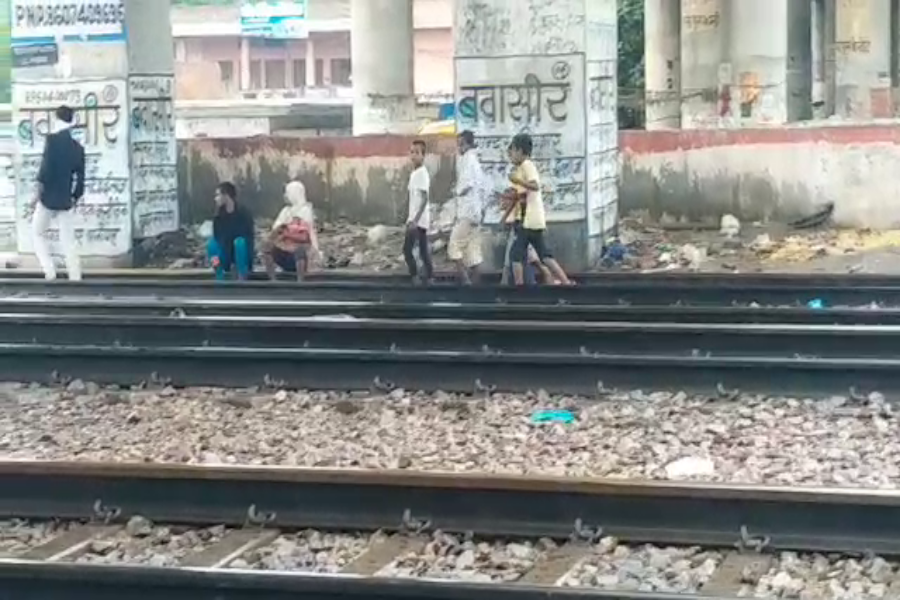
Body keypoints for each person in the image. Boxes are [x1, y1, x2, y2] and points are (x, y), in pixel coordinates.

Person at [506, 133, 573, 286]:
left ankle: (519, 287)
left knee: (516, 254)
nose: (512, 154)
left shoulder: (527, 165)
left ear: (521, 151)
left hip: (528, 219)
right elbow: (522, 194)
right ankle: (566, 282)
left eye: (514, 150)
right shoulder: (522, 168)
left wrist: (517, 180)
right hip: (532, 218)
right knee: (544, 254)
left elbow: (535, 186)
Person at [32, 105, 85, 281]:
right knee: (68, 240)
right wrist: (74, 196)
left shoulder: (52, 141)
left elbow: (45, 171)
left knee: (37, 232)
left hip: (47, 198)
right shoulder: (77, 148)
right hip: (65, 200)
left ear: (56, 119)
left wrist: (37, 194)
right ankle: (75, 276)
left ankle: (50, 271)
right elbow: (80, 179)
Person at [263, 180, 319, 281]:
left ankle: (300, 282)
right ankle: (273, 281)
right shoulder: (286, 211)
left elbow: (305, 236)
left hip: (300, 253)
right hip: (285, 249)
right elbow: (276, 230)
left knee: (300, 250)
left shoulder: (305, 210)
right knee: (268, 247)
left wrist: (286, 234)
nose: (286, 195)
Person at [449, 130, 485, 285]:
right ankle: (476, 287)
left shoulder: (468, 160)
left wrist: (455, 191)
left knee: (454, 245)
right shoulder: (474, 160)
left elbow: (466, 185)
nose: (459, 147)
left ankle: (466, 282)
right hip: (475, 212)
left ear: (468, 144)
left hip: (467, 212)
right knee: (472, 250)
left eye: (461, 144)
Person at [208, 182, 254, 280]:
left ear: (226, 196)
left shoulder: (243, 213)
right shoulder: (218, 216)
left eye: (218, 195)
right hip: (226, 250)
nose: (215, 199)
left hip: (241, 251)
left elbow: (248, 238)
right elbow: (217, 237)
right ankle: (220, 277)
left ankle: (242, 276)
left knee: (239, 242)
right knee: (211, 244)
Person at [403, 139, 434, 285]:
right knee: (422, 250)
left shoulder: (422, 173)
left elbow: (424, 199)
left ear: (423, 155)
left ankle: (415, 276)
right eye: (412, 152)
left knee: (407, 250)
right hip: (417, 219)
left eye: (417, 152)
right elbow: (413, 198)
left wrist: (414, 220)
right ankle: (430, 277)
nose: (413, 155)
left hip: (418, 220)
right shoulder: (415, 173)